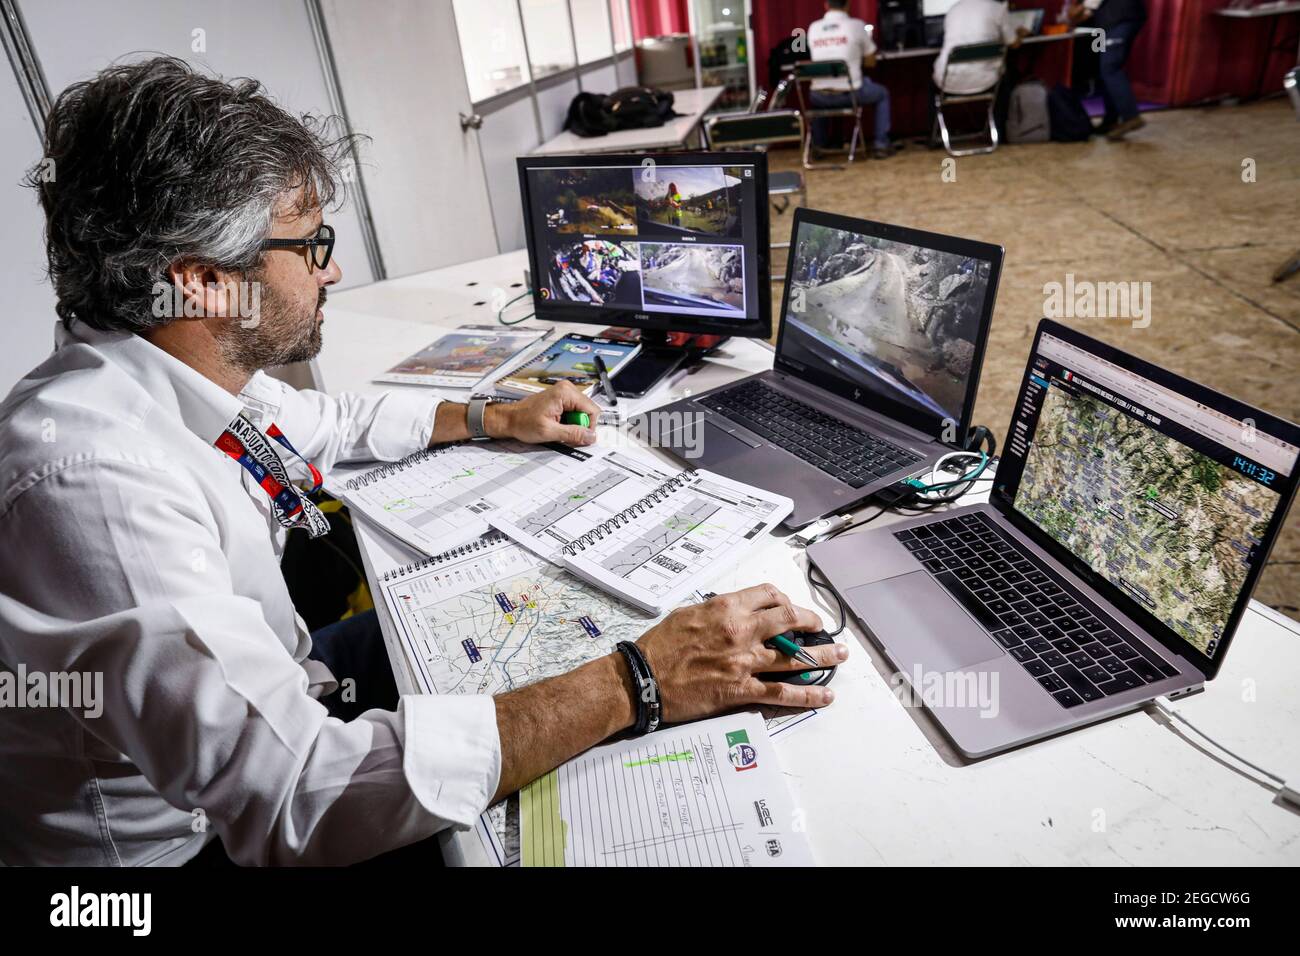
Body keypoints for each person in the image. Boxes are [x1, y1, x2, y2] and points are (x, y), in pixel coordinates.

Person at [0, 56, 843, 866]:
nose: (332, 269)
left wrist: (494, 413)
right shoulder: (97, 481)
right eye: (310, 243)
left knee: (558, 620)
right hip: (194, 845)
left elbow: (321, 419)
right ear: (206, 282)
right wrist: (638, 680)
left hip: (299, 677)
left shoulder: (172, 372)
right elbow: (297, 794)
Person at [807, 0, 894, 159]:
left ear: (826, 5)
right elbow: (871, 62)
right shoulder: (856, 25)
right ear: (848, 5)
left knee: (822, 94)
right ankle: (881, 145)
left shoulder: (813, 27)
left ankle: (818, 145)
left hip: (818, 96)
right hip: (850, 93)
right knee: (882, 93)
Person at [1070, 0, 1147, 139]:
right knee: (1104, 70)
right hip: (1111, 23)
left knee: (1110, 68)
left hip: (1121, 18)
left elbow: (1091, 4)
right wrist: (1081, 13)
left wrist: (1082, 7)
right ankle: (1110, 121)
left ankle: (1131, 117)